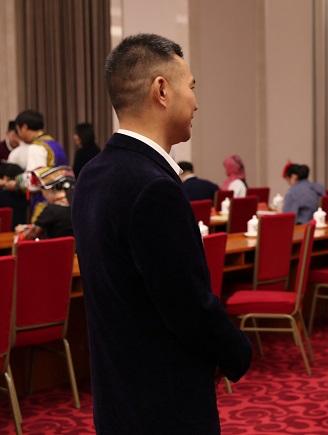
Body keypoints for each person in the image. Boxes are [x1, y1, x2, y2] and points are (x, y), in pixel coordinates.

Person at [72, 33, 252, 434]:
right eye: (192, 87)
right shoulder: (152, 186)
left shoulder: (92, 174)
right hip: (163, 403)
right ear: (162, 90)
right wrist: (238, 352)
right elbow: (186, 303)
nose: (196, 102)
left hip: (116, 395)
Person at [15, 166, 74, 240]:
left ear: (49, 190)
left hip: (55, 247)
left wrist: (20, 231)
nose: (43, 195)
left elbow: (29, 236)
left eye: (42, 191)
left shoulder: (50, 210)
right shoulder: (76, 206)